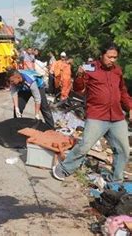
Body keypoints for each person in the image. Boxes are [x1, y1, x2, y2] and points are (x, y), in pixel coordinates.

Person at [53, 44, 131, 182]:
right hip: (97, 116)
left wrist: (130, 107)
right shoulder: (90, 67)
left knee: (123, 150)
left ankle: (115, 179)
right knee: (85, 146)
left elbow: (123, 91)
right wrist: (79, 76)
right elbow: (78, 88)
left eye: (115, 57)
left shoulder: (117, 70)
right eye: (109, 57)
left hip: (117, 116)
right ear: (101, 55)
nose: (112, 60)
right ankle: (63, 169)